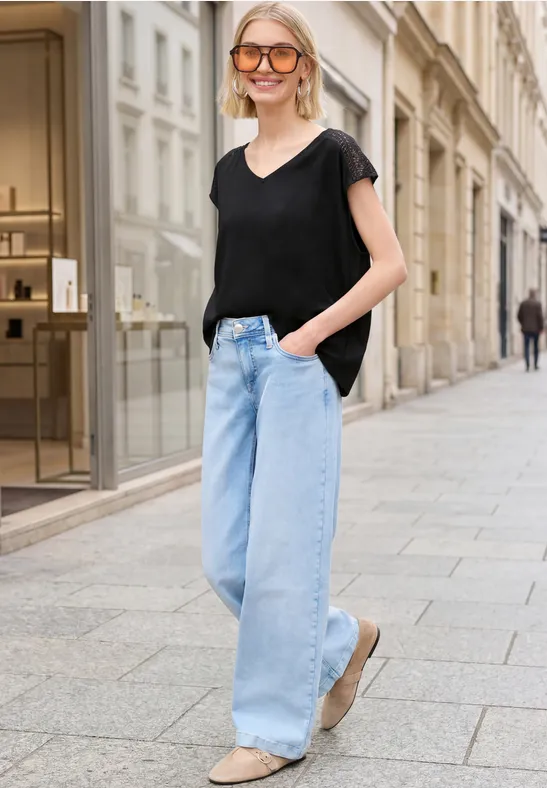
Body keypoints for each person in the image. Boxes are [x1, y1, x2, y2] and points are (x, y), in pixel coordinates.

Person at [201, 3, 407, 784]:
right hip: (232, 360)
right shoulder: (227, 170)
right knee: (225, 558)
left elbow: (387, 263)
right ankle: (344, 640)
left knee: (282, 556)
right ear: (235, 64)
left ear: (304, 67)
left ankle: (271, 732)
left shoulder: (334, 154)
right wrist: (229, 342)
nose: (263, 66)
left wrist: (308, 337)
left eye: (280, 54)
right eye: (249, 52)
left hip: (294, 363)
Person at [517, 289, 544, 371]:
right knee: (535, 347)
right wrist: (541, 327)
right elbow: (540, 317)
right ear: (534, 295)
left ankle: (527, 365)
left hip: (526, 329)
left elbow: (519, 315)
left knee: (526, 347)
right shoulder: (537, 304)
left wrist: (523, 323)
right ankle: (535, 364)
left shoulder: (523, 303)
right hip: (536, 329)